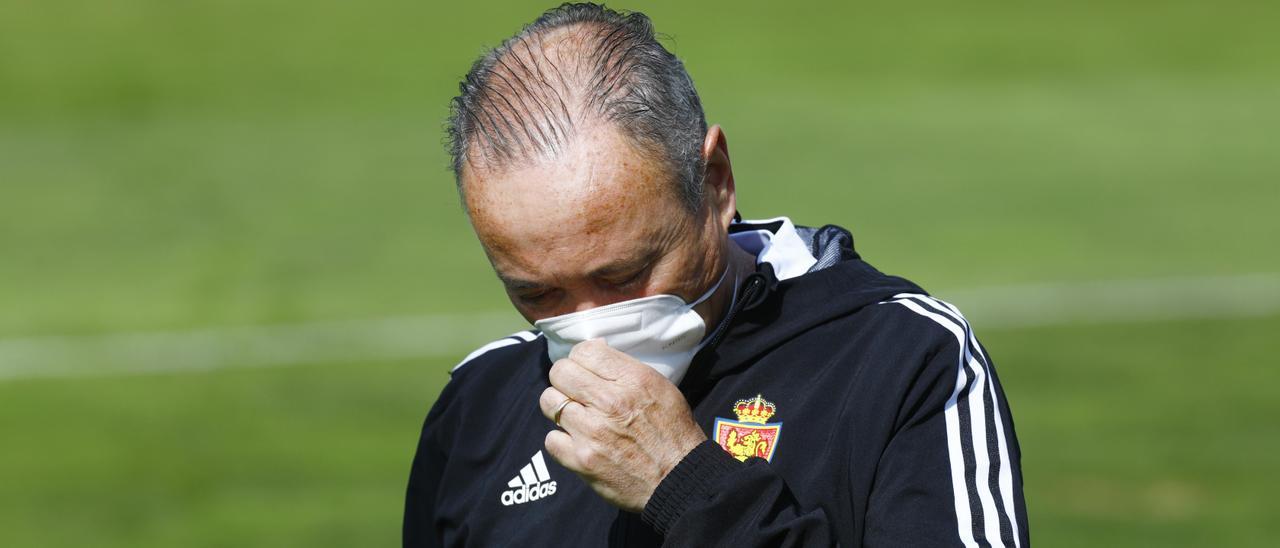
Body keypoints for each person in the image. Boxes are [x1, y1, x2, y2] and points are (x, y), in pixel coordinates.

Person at [403, 3, 1027, 546]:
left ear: (716, 183)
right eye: (536, 292)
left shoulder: (902, 359)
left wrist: (686, 487)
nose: (591, 331)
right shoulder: (477, 406)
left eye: (626, 275)